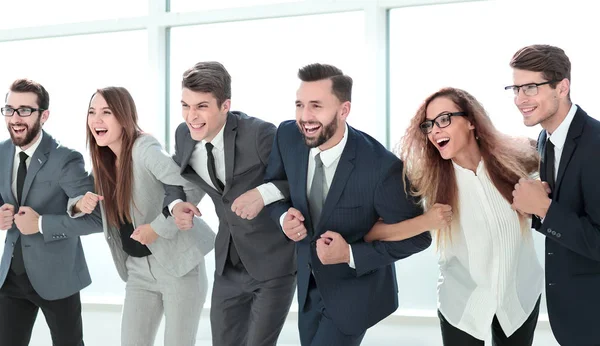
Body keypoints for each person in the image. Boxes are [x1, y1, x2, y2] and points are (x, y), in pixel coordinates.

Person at [261, 63, 431, 345]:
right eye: (300, 105)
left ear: (344, 110)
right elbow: (275, 188)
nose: (305, 116)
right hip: (308, 286)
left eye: (316, 106)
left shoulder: (382, 168)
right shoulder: (288, 136)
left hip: (355, 293)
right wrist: (282, 219)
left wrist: (350, 254)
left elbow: (419, 237)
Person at [365, 87, 543, 345]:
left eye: (444, 119)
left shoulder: (516, 158)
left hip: (519, 296)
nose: (435, 130)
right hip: (463, 304)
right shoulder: (423, 180)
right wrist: (425, 222)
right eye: (429, 125)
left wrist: (541, 195)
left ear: (471, 121)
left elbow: (566, 180)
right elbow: (374, 232)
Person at [165, 61, 296, 346]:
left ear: (226, 105)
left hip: (273, 263)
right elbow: (172, 175)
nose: (191, 116)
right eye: (185, 105)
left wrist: (263, 194)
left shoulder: (260, 134)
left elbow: (299, 179)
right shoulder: (183, 135)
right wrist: (175, 204)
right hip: (227, 264)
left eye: (201, 106)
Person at [72, 86, 215, 346]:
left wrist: (157, 228)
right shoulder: (103, 161)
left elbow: (189, 186)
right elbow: (76, 199)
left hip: (177, 266)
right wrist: (79, 204)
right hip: (138, 270)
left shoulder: (144, 148)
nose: (97, 119)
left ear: (124, 116)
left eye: (106, 112)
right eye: (92, 112)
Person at [508, 44, 600, 345]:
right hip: (571, 316)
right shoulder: (545, 141)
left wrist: (545, 209)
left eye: (530, 88)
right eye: (516, 89)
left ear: (562, 87)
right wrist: (535, 210)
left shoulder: (596, 144)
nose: (520, 99)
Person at [0, 78, 102, 346]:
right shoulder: (1, 152)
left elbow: (96, 219)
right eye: (9, 109)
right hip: (11, 277)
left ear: (44, 115)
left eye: (25, 110)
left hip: (58, 278)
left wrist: (42, 223)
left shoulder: (65, 158)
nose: (15, 118)